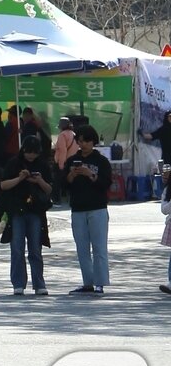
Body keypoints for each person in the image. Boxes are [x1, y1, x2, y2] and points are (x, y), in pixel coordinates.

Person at [0, 132, 53, 295]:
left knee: (35, 248)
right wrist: (20, 178)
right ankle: (18, 283)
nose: (31, 156)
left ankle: (39, 283)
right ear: (23, 150)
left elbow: (50, 190)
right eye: (28, 152)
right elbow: (3, 185)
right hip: (17, 210)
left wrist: (39, 181)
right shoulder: (14, 163)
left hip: (36, 211)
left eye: (34, 152)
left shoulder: (43, 165)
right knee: (17, 248)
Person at [64, 125, 112, 296]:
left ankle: (100, 282)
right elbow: (63, 186)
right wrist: (71, 175)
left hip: (97, 207)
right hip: (77, 208)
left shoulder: (101, 161)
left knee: (99, 247)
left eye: (87, 141)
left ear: (93, 142)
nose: (83, 144)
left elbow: (106, 184)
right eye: (80, 141)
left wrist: (90, 174)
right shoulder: (71, 161)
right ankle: (88, 282)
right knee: (82, 248)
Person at [52, 116, 77, 202]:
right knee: (71, 181)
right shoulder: (73, 134)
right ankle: (72, 199)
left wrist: (60, 165)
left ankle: (56, 201)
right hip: (72, 161)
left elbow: (62, 150)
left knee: (57, 182)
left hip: (63, 161)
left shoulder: (62, 135)